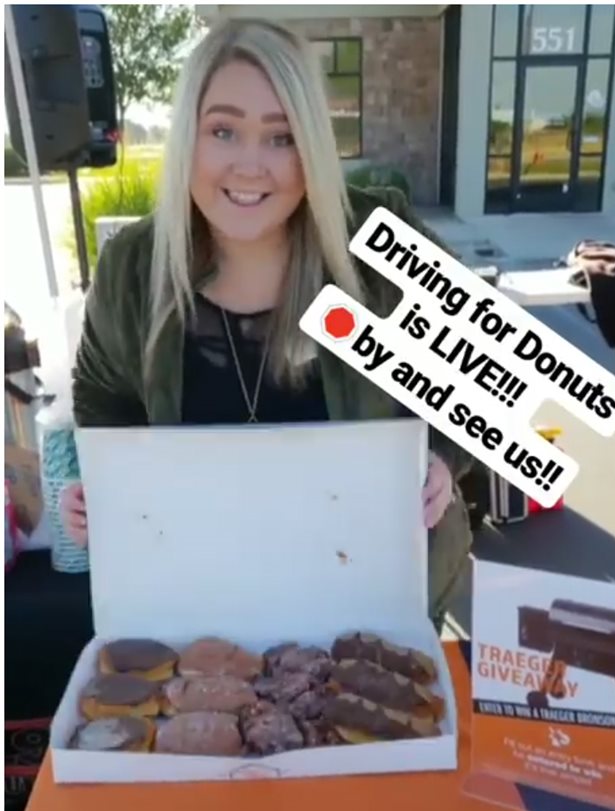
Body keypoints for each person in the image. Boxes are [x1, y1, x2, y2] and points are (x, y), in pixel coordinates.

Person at [61, 17, 473, 632]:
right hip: (204, 606)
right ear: (188, 142)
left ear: (312, 147)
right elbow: (104, 400)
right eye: (224, 131)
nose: (250, 166)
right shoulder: (132, 270)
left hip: (373, 602)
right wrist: (102, 488)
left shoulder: (383, 242)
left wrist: (443, 458)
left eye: (281, 138)